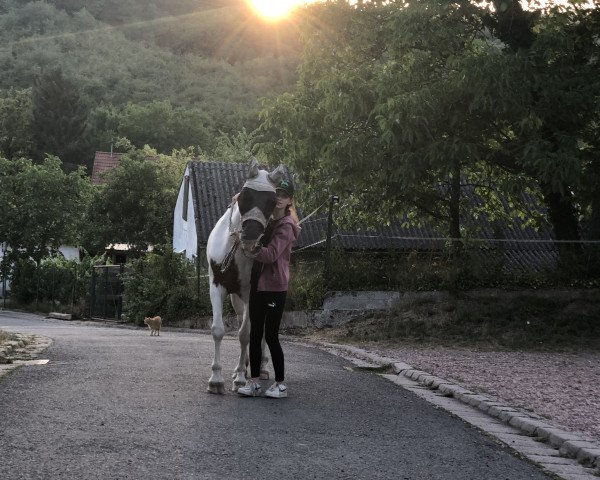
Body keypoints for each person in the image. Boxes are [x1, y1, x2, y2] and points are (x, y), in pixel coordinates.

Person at [238, 178, 299, 398]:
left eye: (284, 195)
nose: (279, 198)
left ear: (290, 200)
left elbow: (272, 255)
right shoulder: (269, 222)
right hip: (258, 284)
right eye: (277, 194)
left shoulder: (288, 226)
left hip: (275, 287)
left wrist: (251, 248)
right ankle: (254, 382)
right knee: (255, 333)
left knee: (271, 336)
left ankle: (280, 385)